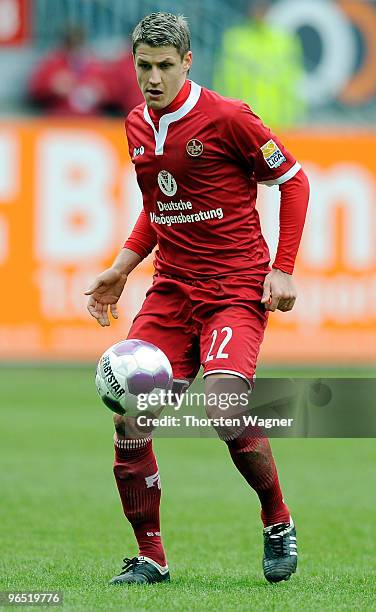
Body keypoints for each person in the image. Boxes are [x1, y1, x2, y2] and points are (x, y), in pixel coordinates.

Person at [85, 12, 309, 586]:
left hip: (234, 288)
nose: (153, 78)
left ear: (187, 62)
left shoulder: (229, 118)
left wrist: (282, 270)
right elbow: (158, 208)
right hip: (171, 289)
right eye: (143, 66)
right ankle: (151, 559)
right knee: (131, 416)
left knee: (223, 407)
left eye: (164, 65)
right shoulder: (136, 124)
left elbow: (295, 181)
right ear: (133, 64)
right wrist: (119, 269)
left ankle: (277, 518)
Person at [213, 0, 305, 129]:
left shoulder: (284, 40)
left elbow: (294, 80)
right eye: (256, 6)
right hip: (243, 121)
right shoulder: (234, 38)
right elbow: (222, 79)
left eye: (263, 5)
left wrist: (294, 117)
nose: (260, 11)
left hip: (280, 124)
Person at [28, 25, 112, 116]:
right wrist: (53, 86)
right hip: (60, 119)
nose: (76, 49)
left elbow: (112, 90)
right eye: (72, 44)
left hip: (91, 122)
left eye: (79, 43)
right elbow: (35, 88)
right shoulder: (53, 63)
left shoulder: (95, 65)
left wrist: (100, 91)